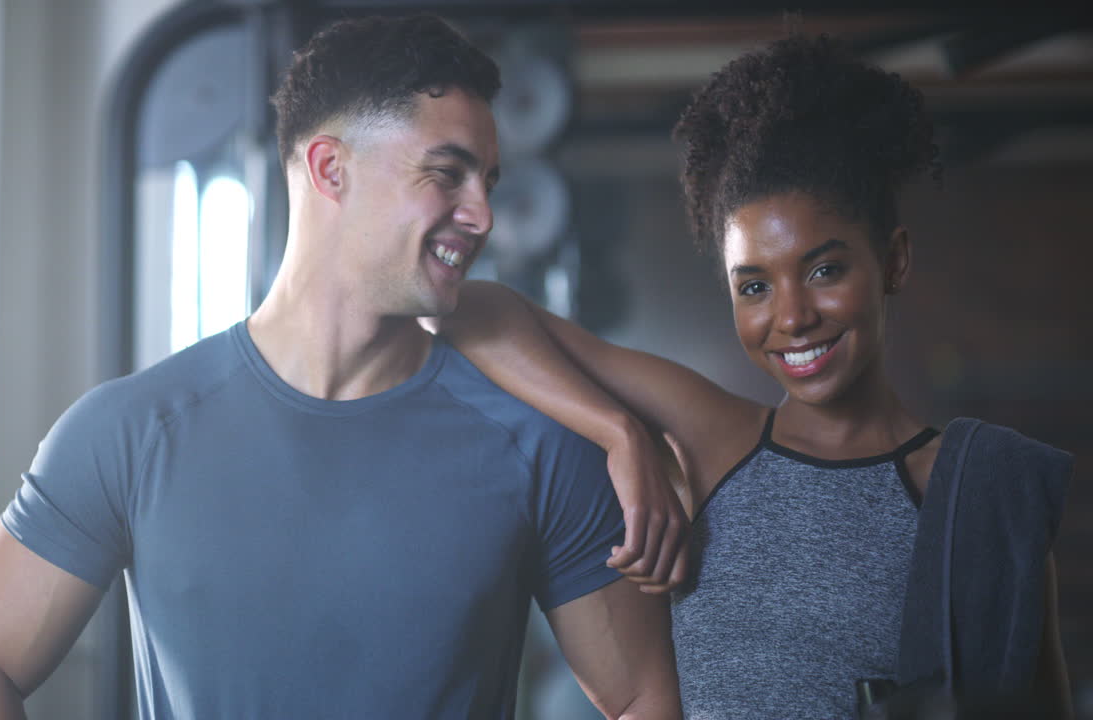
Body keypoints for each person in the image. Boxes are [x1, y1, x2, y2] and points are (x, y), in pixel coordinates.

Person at [0, 14, 686, 719]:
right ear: (329, 169)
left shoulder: (538, 442)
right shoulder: (127, 433)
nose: (482, 214)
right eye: (447, 173)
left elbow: (645, 700)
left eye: (488, 181)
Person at [435, 32, 1074, 718]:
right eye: (755, 286)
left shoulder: (981, 490)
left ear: (893, 261)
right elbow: (473, 307)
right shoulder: (715, 441)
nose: (793, 317)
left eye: (825, 270)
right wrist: (620, 433)